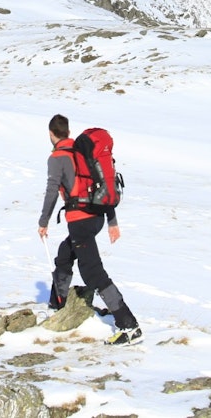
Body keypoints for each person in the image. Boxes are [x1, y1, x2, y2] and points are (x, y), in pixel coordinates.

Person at [37, 113, 142, 346]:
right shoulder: (81, 150)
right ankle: (58, 304)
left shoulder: (58, 157)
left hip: (80, 221)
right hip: (96, 218)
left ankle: (128, 324)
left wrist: (43, 222)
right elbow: (100, 183)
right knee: (65, 255)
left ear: (51, 134)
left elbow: (52, 190)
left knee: (92, 272)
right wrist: (112, 221)